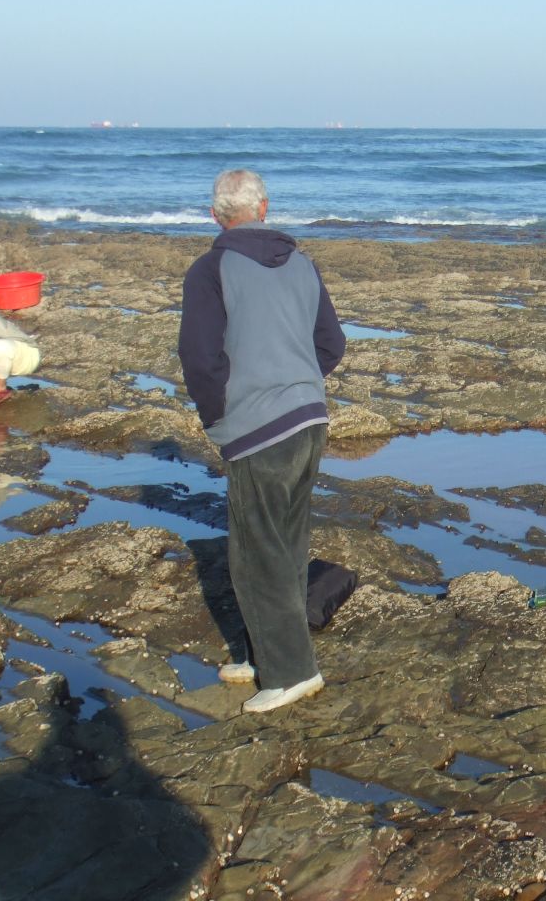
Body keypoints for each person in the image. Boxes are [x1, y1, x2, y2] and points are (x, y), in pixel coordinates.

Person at [178, 169, 346, 714]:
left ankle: (292, 671)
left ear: (215, 216)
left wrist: (218, 415)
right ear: (265, 208)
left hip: (258, 426)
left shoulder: (211, 269)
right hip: (309, 418)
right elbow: (332, 344)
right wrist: (299, 382)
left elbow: (200, 358)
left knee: (256, 551)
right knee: (287, 543)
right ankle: (262, 655)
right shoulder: (302, 263)